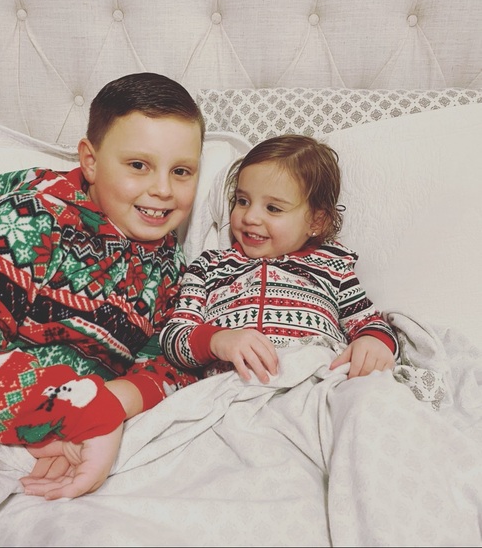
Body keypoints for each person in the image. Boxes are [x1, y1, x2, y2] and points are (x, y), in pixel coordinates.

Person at [0, 72, 205, 500]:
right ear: (91, 161)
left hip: (65, 442)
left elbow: (176, 360)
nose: (162, 189)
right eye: (138, 165)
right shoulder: (26, 220)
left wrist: (112, 404)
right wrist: (83, 412)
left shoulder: (171, 267)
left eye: (181, 171)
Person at [160, 134, 398, 385]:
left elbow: (369, 323)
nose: (250, 217)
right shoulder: (209, 266)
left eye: (273, 208)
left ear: (316, 222)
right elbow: (173, 337)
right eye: (243, 201)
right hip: (233, 387)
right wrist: (216, 340)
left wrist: (372, 342)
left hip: (316, 382)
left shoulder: (333, 266)